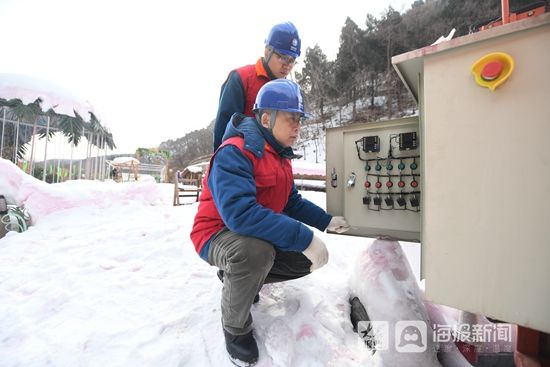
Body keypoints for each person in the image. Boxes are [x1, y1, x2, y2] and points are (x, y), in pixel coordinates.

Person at [190, 79, 349, 366]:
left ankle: (237, 277)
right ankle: (234, 328)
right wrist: (305, 237)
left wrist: (326, 222)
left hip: (251, 234)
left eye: (299, 120)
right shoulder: (234, 152)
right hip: (215, 233)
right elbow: (240, 214)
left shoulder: (279, 158)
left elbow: (291, 202)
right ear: (266, 118)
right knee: (255, 253)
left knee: (302, 259)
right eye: (291, 119)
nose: (297, 127)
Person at [213, 21, 301, 151]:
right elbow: (223, 129)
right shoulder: (241, 78)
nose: (288, 65)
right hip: (242, 163)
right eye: (283, 57)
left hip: (273, 165)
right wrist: (222, 166)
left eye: (292, 60)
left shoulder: (289, 92)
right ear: (267, 52)